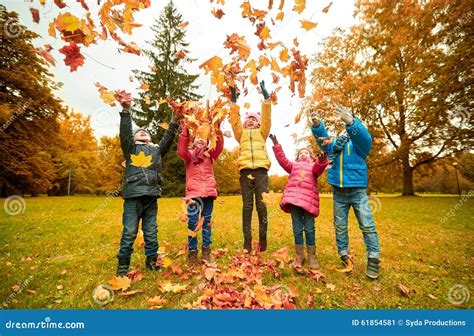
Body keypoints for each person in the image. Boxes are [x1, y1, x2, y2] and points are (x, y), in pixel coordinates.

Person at [310, 106, 381, 279]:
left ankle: (373, 258)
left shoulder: (360, 146)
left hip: (357, 191)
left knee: (367, 225)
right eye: (344, 124)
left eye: (348, 123)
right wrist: (317, 125)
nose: (345, 127)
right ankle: (344, 255)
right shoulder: (335, 144)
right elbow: (323, 141)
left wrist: (351, 122)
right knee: (340, 226)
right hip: (338, 192)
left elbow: (365, 137)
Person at [116, 100, 178, 276]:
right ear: (134, 139)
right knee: (129, 231)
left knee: (151, 231)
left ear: (150, 139)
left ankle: (151, 261)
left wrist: (174, 121)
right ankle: (122, 267)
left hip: (151, 197)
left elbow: (167, 139)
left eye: (145, 132)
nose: (142, 131)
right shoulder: (131, 149)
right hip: (133, 197)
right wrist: (126, 111)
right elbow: (125, 133)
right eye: (138, 132)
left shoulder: (156, 151)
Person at [270, 134, 328, 269]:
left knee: (309, 229)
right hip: (294, 202)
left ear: (312, 157)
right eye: (301, 153)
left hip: (308, 203)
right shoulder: (293, 166)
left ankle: (312, 256)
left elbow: (320, 166)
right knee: (297, 229)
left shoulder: (314, 167)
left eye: (306, 153)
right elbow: (282, 160)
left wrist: (322, 157)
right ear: (297, 157)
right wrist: (276, 144)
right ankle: (299, 255)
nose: (303, 154)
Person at [229, 81, 272, 253]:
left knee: (261, 206)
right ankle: (247, 241)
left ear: (259, 123)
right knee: (247, 206)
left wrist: (266, 99)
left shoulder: (263, 133)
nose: (251, 121)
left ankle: (262, 239)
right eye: (249, 119)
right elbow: (234, 122)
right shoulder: (241, 134)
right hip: (245, 171)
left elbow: (267, 119)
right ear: (245, 123)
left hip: (261, 172)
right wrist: (233, 102)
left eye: (255, 119)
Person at [177, 121, 224, 266]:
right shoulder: (189, 155)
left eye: (203, 136)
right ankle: (192, 252)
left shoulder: (210, 154)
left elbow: (219, 146)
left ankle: (206, 250)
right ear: (193, 140)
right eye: (197, 136)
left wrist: (217, 129)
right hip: (193, 194)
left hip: (209, 193)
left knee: (207, 222)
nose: (200, 138)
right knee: (192, 221)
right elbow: (181, 150)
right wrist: (185, 130)